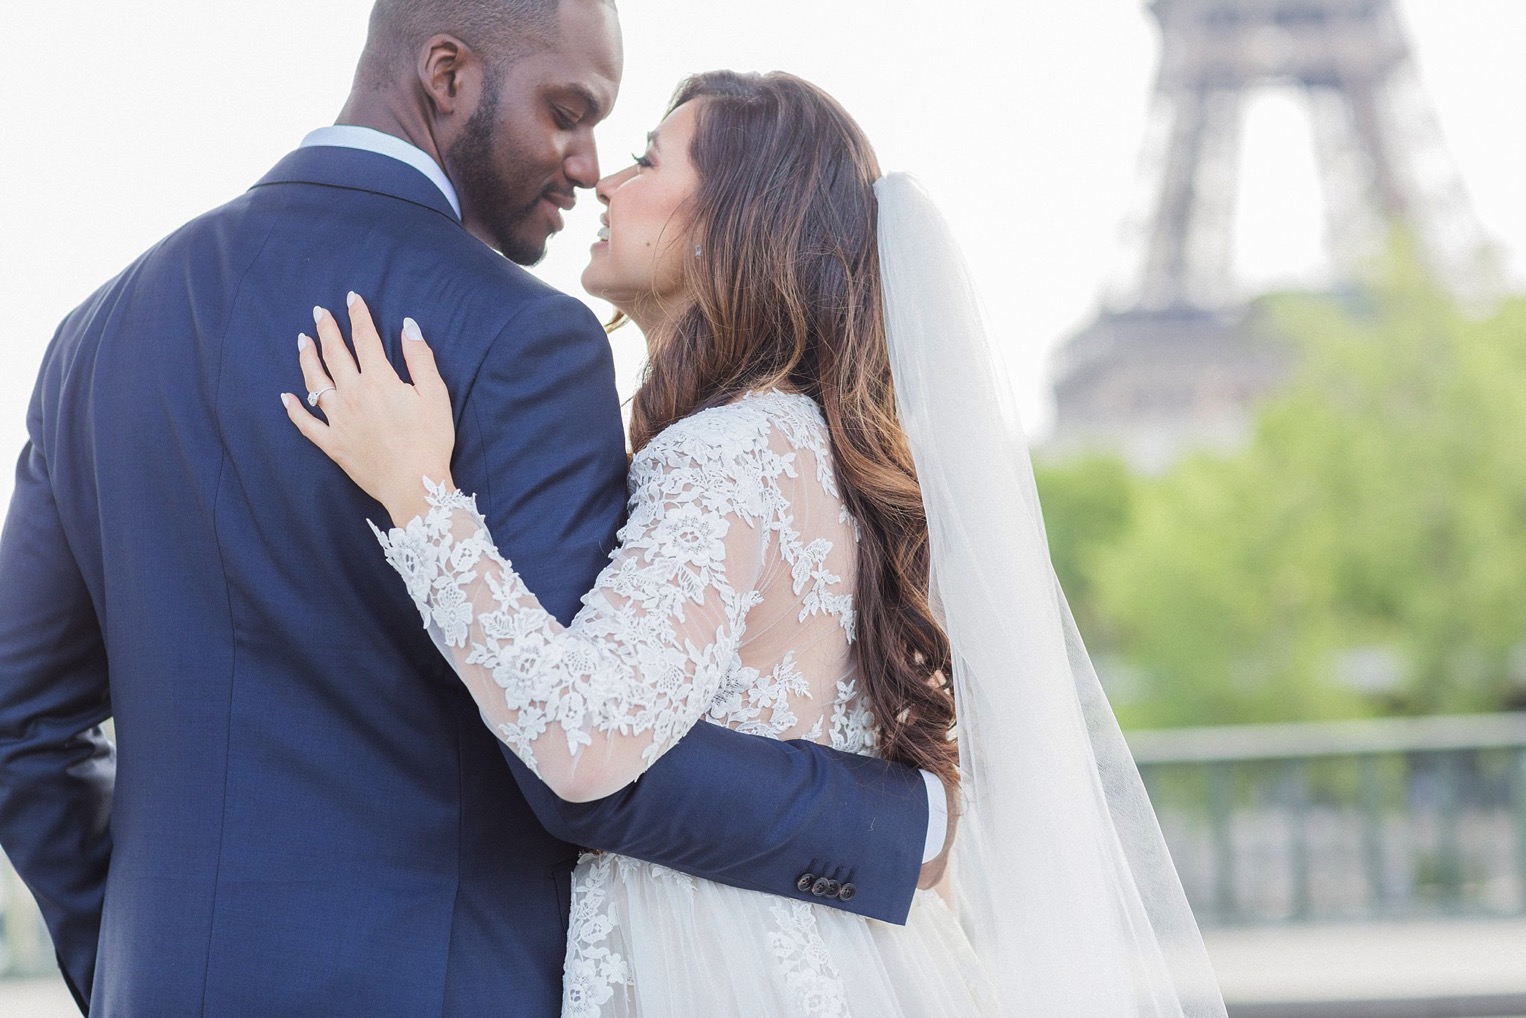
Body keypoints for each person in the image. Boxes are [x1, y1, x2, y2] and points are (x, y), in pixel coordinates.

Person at [0, 5, 948, 1015]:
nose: (587, 167)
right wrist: (895, 827)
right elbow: (585, 766)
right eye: (567, 112)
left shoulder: (96, 333)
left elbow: (20, 720)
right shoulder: (521, 338)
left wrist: (123, 963)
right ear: (446, 76)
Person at [286, 70, 1229, 1016]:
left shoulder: (733, 446)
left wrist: (422, 500)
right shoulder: (815, 444)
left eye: (651, 158)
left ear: (738, 220)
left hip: (720, 971)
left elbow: (583, 743)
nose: (607, 181)